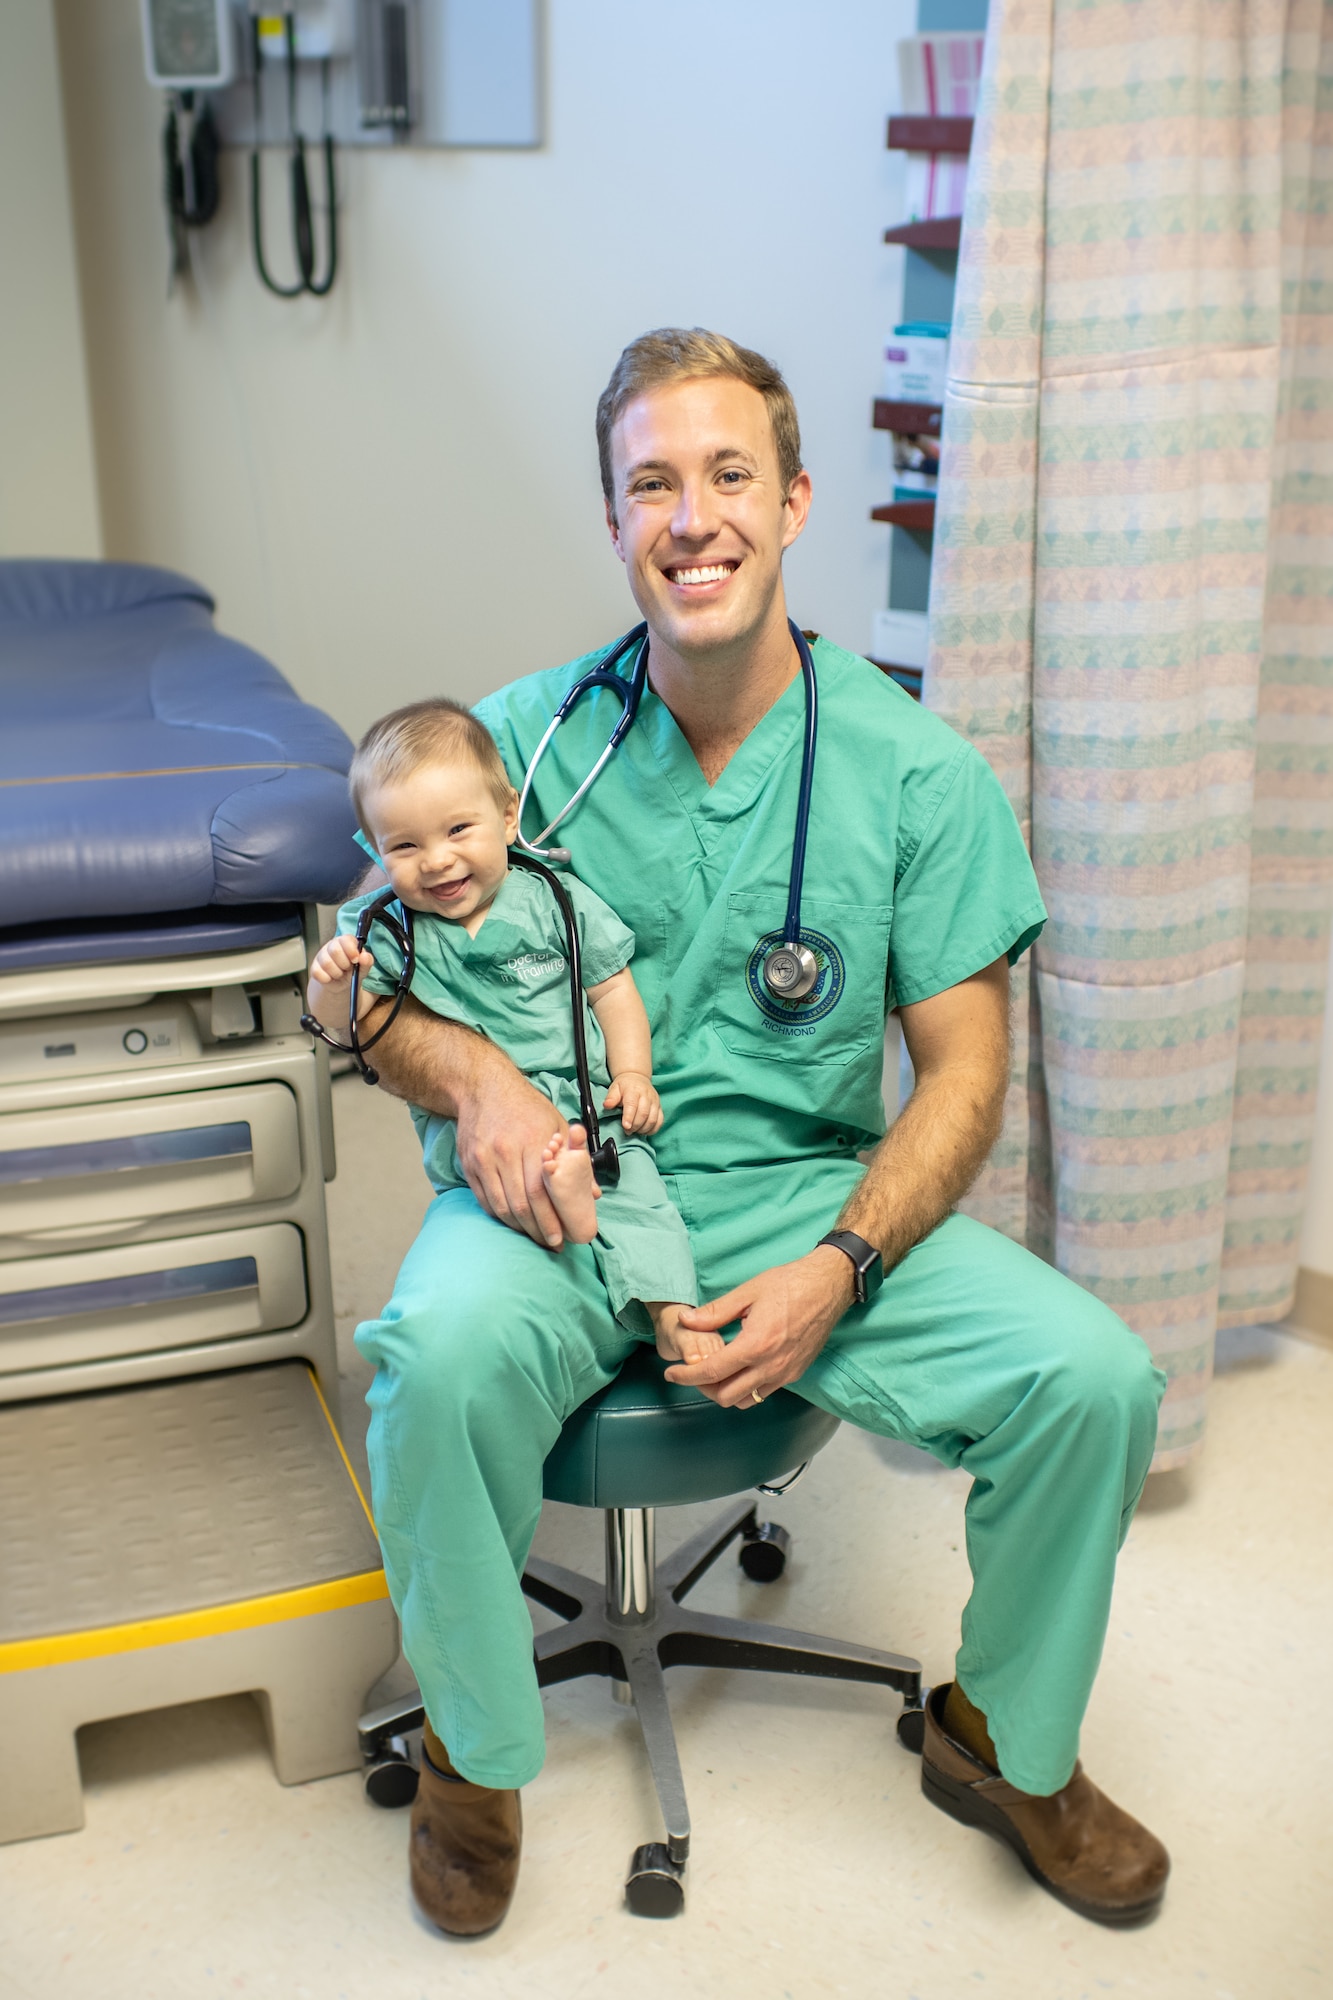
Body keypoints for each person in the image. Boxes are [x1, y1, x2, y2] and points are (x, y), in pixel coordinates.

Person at [353, 328, 1171, 1938]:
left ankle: (1004, 1735)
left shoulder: (915, 773)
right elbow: (357, 991)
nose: (691, 516)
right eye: (650, 483)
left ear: (796, 502)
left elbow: (960, 1076)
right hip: (556, 1196)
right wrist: (479, 1084)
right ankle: (472, 1747)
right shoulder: (515, 748)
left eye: (729, 475)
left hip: (803, 1194)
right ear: (613, 524)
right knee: (435, 1364)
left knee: (1092, 1378)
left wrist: (844, 1262)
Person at [307, 698, 710, 1362]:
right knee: (497, 1205)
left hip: (584, 1105)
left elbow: (612, 988)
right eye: (404, 846)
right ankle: (566, 1204)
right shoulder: (383, 930)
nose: (435, 861)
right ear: (374, 850)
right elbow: (340, 1024)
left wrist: (633, 1072)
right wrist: (330, 975)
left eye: (458, 830)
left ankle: (671, 1313)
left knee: (643, 1202)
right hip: (475, 1133)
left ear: (506, 817)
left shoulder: (554, 898)